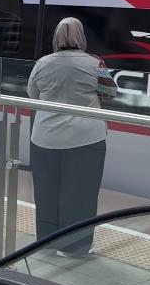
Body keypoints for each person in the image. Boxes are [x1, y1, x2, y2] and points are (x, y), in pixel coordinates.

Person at [27, 17, 117, 258]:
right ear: (81, 36)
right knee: (80, 193)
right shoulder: (95, 63)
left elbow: (32, 94)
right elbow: (110, 92)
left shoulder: (42, 63)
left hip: (44, 139)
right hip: (85, 140)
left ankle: (47, 241)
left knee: (46, 191)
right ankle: (74, 247)